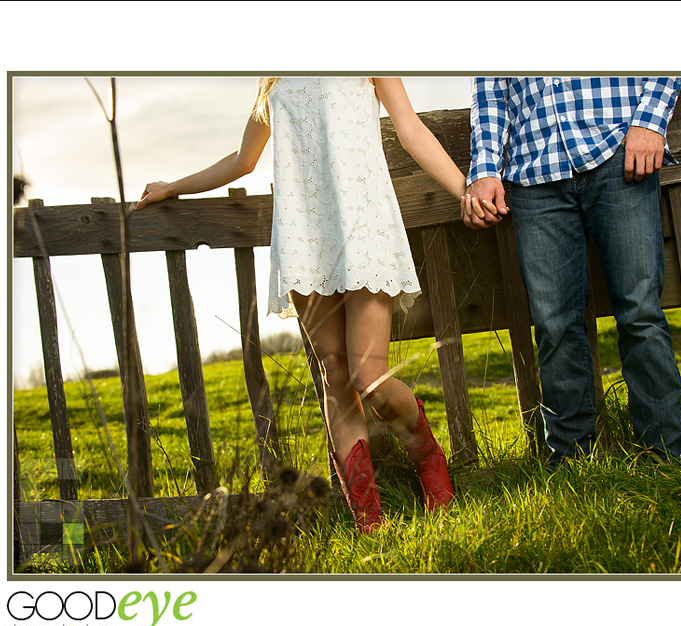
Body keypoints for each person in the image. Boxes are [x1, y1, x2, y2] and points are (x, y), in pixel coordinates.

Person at [137, 78, 485, 532]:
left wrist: (465, 191)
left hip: (361, 219)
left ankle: (427, 457)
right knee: (334, 374)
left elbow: (410, 128)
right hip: (303, 232)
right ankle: (369, 521)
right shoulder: (274, 75)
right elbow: (244, 161)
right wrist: (173, 186)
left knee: (370, 378)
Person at [461, 77, 681, 468]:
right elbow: (489, 93)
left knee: (640, 311)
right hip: (535, 169)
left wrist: (651, 120)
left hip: (617, 148)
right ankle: (570, 462)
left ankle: (665, 455)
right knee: (554, 325)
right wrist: (484, 169)